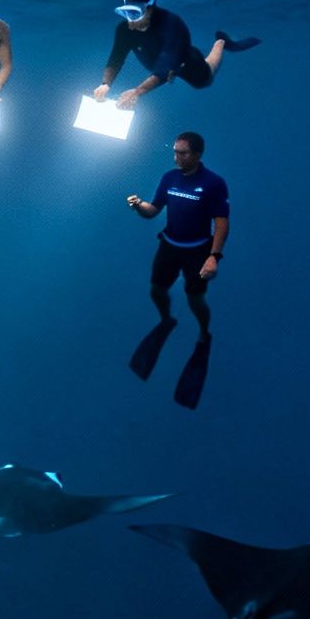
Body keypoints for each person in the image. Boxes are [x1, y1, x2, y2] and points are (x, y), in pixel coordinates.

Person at [126, 130, 229, 409]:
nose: (176, 157)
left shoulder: (213, 183)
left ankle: (204, 334)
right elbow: (153, 210)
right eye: (174, 151)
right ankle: (166, 320)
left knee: (195, 298)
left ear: (196, 154)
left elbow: (221, 223)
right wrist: (138, 206)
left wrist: (214, 257)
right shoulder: (169, 178)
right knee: (156, 289)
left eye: (182, 153)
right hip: (169, 245)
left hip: (197, 250)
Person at [91, 0, 259, 109]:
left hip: (184, 61)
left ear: (150, 8)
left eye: (136, 13)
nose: (131, 20)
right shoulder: (123, 29)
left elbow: (166, 69)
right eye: (126, 12)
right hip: (156, 63)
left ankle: (221, 42)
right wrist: (105, 83)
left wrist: (137, 92)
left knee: (205, 80)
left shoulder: (172, 25)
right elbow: (116, 58)